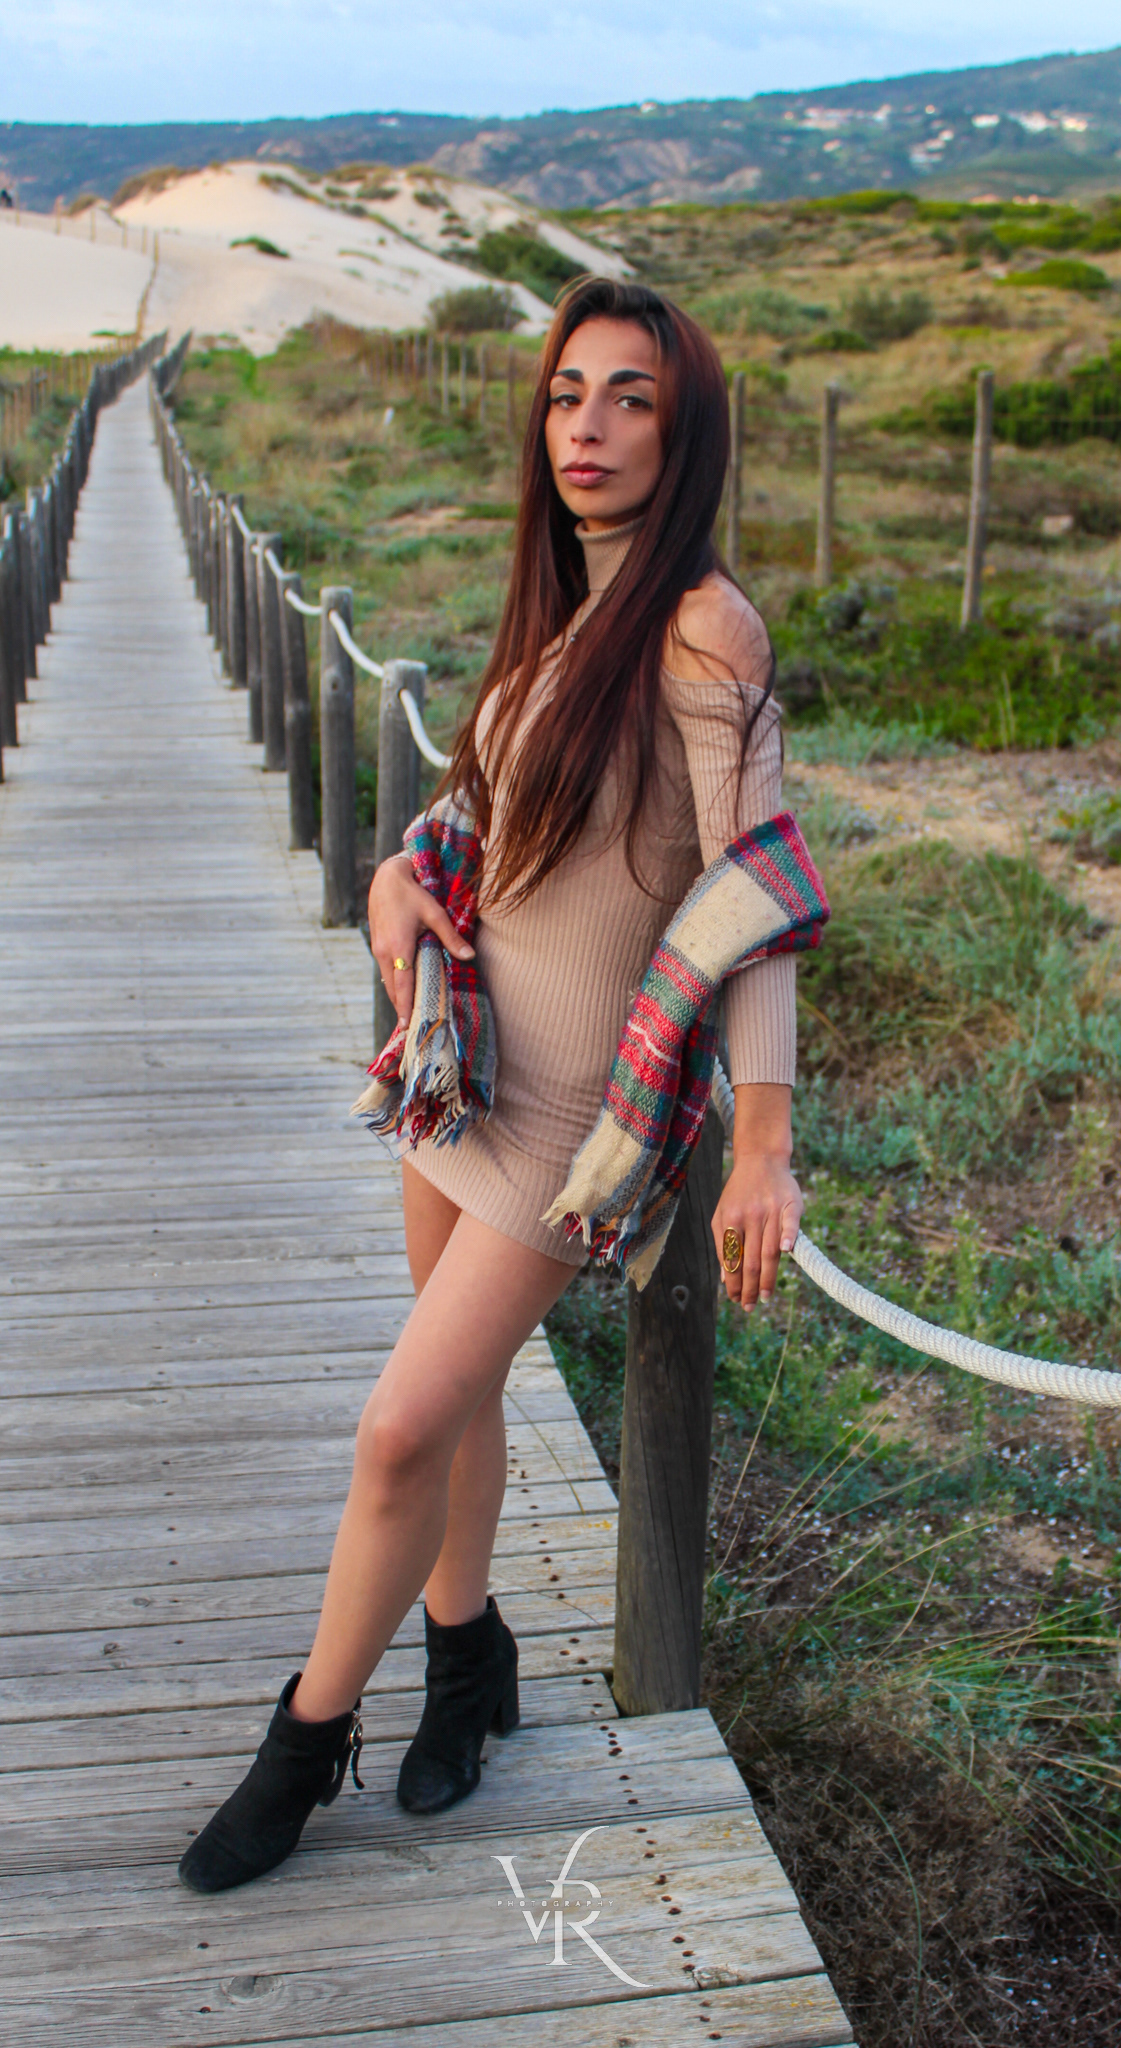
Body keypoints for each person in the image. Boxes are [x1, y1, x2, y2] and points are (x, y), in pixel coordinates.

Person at [178, 276, 805, 1895]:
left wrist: (762, 1142)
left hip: (573, 1125)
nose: (586, 428)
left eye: (629, 399)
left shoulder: (701, 624)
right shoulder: (565, 602)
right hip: (468, 1074)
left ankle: (303, 1744)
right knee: (450, 1410)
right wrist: (400, 876)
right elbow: (484, 815)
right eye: (565, 393)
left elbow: (751, 895)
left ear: (685, 430)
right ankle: (468, 1656)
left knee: (398, 1427)